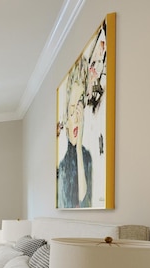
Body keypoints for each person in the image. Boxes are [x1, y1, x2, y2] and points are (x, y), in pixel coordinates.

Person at [57, 57, 92, 208]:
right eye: (72, 111)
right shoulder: (63, 166)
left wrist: (78, 149)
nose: (77, 118)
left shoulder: (86, 157)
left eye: (79, 108)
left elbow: (85, 202)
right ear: (65, 119)